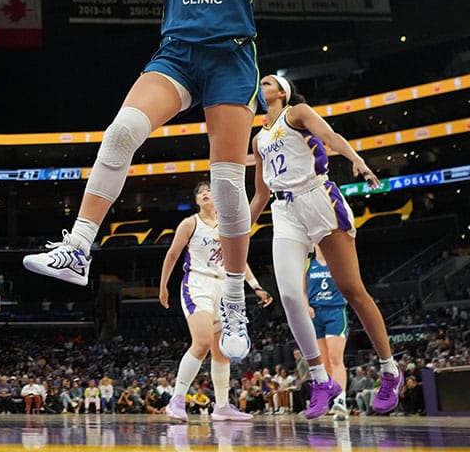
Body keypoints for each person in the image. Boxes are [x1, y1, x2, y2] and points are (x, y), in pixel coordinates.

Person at [24, 0, 303, 365]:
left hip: (230, 60)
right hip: (176, 55)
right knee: (120, 133)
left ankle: (231, 298)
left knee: (226, 184)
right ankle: (78, 246)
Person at [250, 73, 404, 419]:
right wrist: (236, 232)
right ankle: (321, 380)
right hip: (284, 208)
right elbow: (260, 194)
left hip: (318, 197)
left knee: (353, 290)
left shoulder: (297, 112)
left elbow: (330, 135)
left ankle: (391, 371)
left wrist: (356, 158)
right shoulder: (259, 139)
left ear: (282, 92)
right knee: (290, 296)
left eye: (269, 81)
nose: (263, 85)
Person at [158, 181, 273, 423]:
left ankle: (221, 407)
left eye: (208, 190)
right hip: (197, 284)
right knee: (200, 343)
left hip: (223, 286)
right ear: (197, 201)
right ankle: (176, 400)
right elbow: (172, 254)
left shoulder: (229, 224)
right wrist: (163, 286)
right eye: (200, 192)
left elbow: (239, 259)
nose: (205, 193)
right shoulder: (190, 223)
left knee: (221, 352)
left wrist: (256, 286)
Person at [307, 245, 350, 418]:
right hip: (315, 314)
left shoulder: (338, 261)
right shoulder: (308, 264)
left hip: (335, 311)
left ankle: (341, 401)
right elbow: (302, 290)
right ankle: (329, 402)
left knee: (335, 358)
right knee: (324, 363)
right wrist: (305, 305)